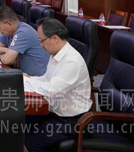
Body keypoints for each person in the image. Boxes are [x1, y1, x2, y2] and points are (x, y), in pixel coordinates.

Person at [24, 19, 92, 152]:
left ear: (55, 38)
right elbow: (46, 79)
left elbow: (52, 90)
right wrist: (29, 79)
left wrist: (27, 82)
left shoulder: (72, 61)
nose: (40, 45)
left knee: (25, 142)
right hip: (53, 112)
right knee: (18, 122)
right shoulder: (55, 54)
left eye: (41, 40)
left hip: (72, 121)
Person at [0, 6, 49, 76]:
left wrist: (0, 55)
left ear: (9, 24)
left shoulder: (23, 32)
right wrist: (6, 50)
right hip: (23, 75)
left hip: (35, 78)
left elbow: (6, 60)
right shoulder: (9, 33)